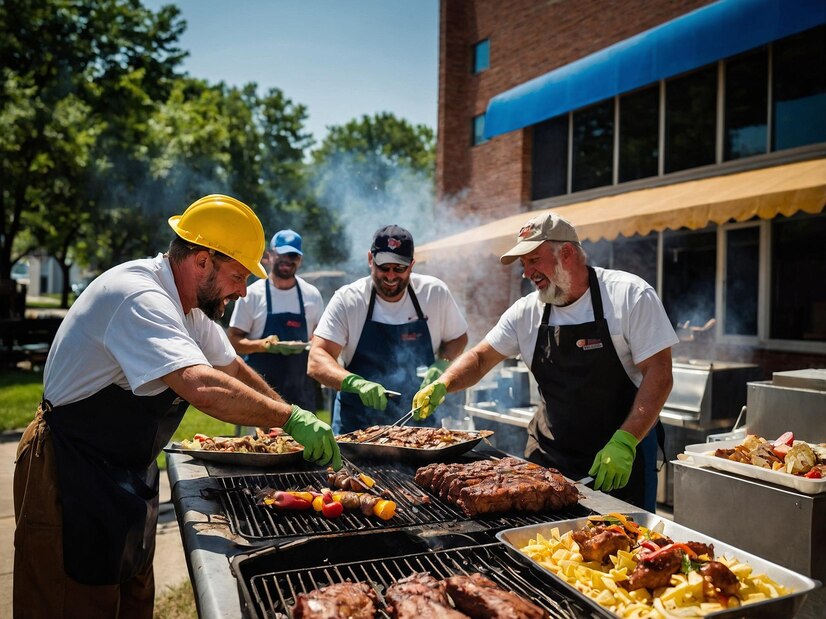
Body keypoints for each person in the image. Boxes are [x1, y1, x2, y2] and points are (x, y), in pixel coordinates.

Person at [13, 194, 341, 619]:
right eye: (239, 275)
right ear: (202, 260)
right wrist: (290, 418)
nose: (244, 290)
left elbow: (232, 367)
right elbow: (201, 385)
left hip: (125, 476)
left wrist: (285, 416)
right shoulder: (140, 297)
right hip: (68, 471)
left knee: (129, 599)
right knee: (72, 602)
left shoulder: (189, 311)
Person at [412, 212, 677, 511]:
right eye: (523, 264)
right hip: (549, 460)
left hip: (617, 460)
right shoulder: (526, 312)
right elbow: (480, 357)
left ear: (566, 252)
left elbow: (659, 372)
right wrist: (443, 383)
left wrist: (626, 441)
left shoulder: (629, 295)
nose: (527, 272)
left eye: (533, 260)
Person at [308, 224, 469, 434]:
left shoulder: (434, 294)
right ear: (369, 259)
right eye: (384, 267)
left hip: (419, 428)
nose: (391, 276)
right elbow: (316, 359)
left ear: (411, 265)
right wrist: (354, 383)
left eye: (399, 268)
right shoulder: (349, 300)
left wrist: (442, 364)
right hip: (357, 429)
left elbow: (458, 338)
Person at [228, 229, 324, 412]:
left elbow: (320, 340)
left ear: (300, 260)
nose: (287, 260)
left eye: (293, 255)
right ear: (269, 256)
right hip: (260, 392)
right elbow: (233, 340)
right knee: (258, 441)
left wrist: (311, 345)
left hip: (301, 393)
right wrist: (263, 345)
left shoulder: (311, 295)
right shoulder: (252, 294)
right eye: (281, 254)